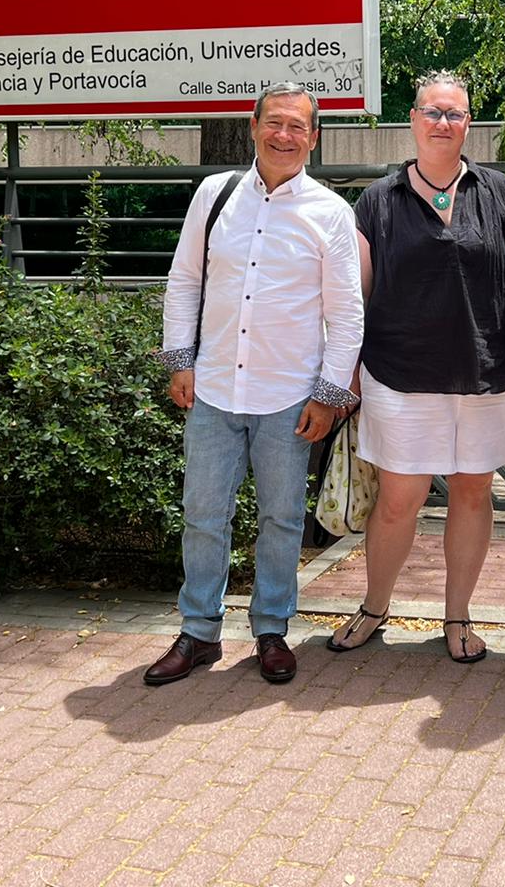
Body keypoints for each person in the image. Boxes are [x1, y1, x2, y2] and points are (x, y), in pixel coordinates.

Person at [146, 83, 363, 686]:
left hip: (290, 398)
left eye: (298, 126)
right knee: (203, 514)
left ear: (314, 137)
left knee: (282, 520)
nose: (284, 135)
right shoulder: (215, 197)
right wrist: (180, 361)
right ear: (253, 125)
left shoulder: (331, 213)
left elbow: (347, 315)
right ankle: (198, 633)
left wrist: (329, 396)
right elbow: (185, 280)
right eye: (275, 122)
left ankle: (272, 630)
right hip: (214, 389)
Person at [327, 71, 505, 664]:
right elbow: (357, 295)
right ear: (414, 119)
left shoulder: (502, 193)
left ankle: (458, 616)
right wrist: (344, 372)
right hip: (400, 372)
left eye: (454, 113)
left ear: (468, 122)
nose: (442, 122)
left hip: (490, 372)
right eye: (432, 112)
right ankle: (375, 606)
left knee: (474, 493)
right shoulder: (377, 200)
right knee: (400, 499)